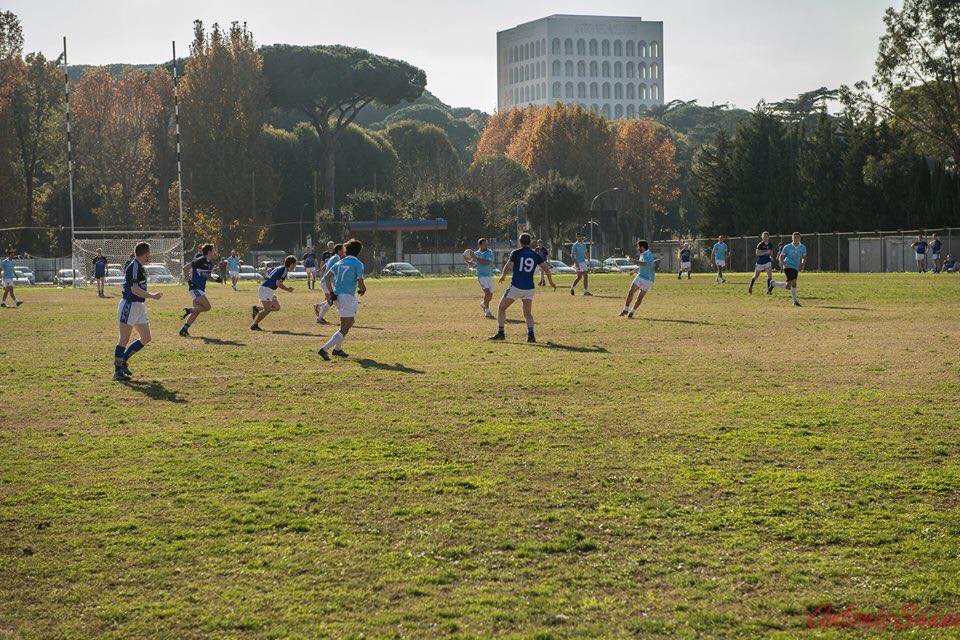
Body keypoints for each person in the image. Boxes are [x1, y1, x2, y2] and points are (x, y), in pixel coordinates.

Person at [490, 232, 556, 343]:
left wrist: (503, 276)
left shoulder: (516, 252)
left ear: (520, 242)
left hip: (516, 286)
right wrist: (551, 282)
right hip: (529, 288)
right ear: (530, 242)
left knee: (501, 308)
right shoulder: (535, 255)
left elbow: (508, 266)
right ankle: (531, 335)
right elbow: (546, 269)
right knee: (527, 313)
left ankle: (501, 333)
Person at [114, 242, 162, 381]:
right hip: (129, 305)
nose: (150, 255)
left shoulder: (140, 267)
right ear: (145, 253)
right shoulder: (135, 265)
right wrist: (152, 296)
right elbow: (134, 289)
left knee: (146, 337)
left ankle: (123, 361)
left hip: (139, 306)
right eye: (149, 253)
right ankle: (117, 372)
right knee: (123, 339)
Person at [318, 238, 366, 360]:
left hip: (337, 297)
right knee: (345, 327)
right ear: (359, 251)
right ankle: (324, 349)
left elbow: (326, 278)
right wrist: (363, 289)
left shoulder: (340, 262)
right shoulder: (358, 264)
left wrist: (331, 292)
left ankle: (337, 350)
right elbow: (361, 283)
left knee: (349, 323)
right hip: (347, 298)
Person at [179, 243, 221, 337]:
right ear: (209, 252)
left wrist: (216, 280)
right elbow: (185, 268)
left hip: (200, 289)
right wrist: (189, 282)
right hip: (195, 288)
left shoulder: (209, 263)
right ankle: (188, 310)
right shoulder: (199, 260)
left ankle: (184, 330)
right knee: (207, 307)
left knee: (196, 311)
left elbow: (208, 277)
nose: (214, 252)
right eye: (213, 250)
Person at [251, 255, 296, 330]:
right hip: (266, 289)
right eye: (295, 264)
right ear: (291, 264)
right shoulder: (284, 270)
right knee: (267, 310)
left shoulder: (280, 267)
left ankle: (257, 309)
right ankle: (254, 325)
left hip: (269, 290)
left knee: (276, 307)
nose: (295, 266)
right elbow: (278, 283)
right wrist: (288, 289)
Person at [769, 232, 807, 306]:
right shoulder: (787, 247)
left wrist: (802, 265)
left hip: (795, 267)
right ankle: (795, 302)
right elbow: (781, 257)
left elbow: (804, 258)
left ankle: (773, 283)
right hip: (788, 266)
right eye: (794, 237)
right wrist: (783, 263)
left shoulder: (803, 247)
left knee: (788, 286)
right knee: (794, 282)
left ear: (800, 238)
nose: (796, 239)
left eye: (797, 237)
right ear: (792, 238)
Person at [620, 240, 656, 318]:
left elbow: (645, 264)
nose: (637, 248)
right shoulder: (642, 254)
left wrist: (633, 260)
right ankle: (625, 310)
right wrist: (633, 271)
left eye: (638, 246)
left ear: (642, 247)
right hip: (640, 276)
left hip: (648, 280)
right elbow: (641, 265)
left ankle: (632, 312)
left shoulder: (648, 254)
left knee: (639, 297)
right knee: (630, 292)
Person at [315, 243, 343, 324]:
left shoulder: (333, 257)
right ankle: (320, 318)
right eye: (343, 250)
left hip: (327, 281)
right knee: (332, 300)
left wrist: (326, 275)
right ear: (339, 251)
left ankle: (319, 306)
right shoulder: (337, 258)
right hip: (327, 282)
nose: (344, 251)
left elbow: (323, 268)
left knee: (332, 299)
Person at [467, 237, 495, 318]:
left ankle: (483, 304)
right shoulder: (475, 253)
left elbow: (487, 263)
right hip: (481, 276)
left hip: (489, 275)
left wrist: (475, 258)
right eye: (484, 243)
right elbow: (472, 265)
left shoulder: (489, 252)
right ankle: (487, 311)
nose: (486, 245)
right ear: (480, 245)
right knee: (487, 293)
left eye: (487, 243)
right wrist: (467, 260)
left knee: (490, 296)